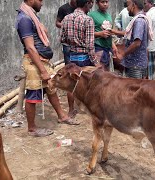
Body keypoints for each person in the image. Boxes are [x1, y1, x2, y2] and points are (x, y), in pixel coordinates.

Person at [15, 0, 78, 137]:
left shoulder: (31, 15)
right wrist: (42, 71)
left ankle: (62, 116)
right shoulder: (24, 19)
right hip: (34, 63)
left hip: (42, 61)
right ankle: (32, 129)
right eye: (40, 0)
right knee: (33, 95)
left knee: (51, 89)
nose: (42, 3)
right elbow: (30, 47)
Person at [118, 0, 153, 79]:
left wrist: (123, 54)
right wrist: (114, 31)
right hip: (139, 62)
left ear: (134, 5)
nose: (127, 8)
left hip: (135, 64)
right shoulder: (142, 18)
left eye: (128, 5)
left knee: (133, 89)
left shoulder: (139, 21)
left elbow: (137, 43)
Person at [61, 0, 99, 67]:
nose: (91, 6)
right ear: (87, 3)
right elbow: (90, 46)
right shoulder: (88, 20)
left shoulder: (66, 18)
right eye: (91, 3)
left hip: (71, 58)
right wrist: (95, 62)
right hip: (84, 59)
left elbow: (63, 39)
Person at [56, 0, 77, 118]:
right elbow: (57, 23)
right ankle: (71, 108)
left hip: (78, 48)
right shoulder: (64, 9)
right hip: (68, 46)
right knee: (70, 75)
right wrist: (66, 25)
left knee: (79, 77)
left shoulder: (81, 7)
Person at [88, 0, 118, 71]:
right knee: (99, 72)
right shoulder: (91, 15)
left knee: (106, 72)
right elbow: (86, 33)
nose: (105, 4)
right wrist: (99, 34)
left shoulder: (108, 16)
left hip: (108, 48)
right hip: (98, 48)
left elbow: (109, 33)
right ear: (97, 3)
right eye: (102, 2)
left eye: (106, 2)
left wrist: (113, 46)